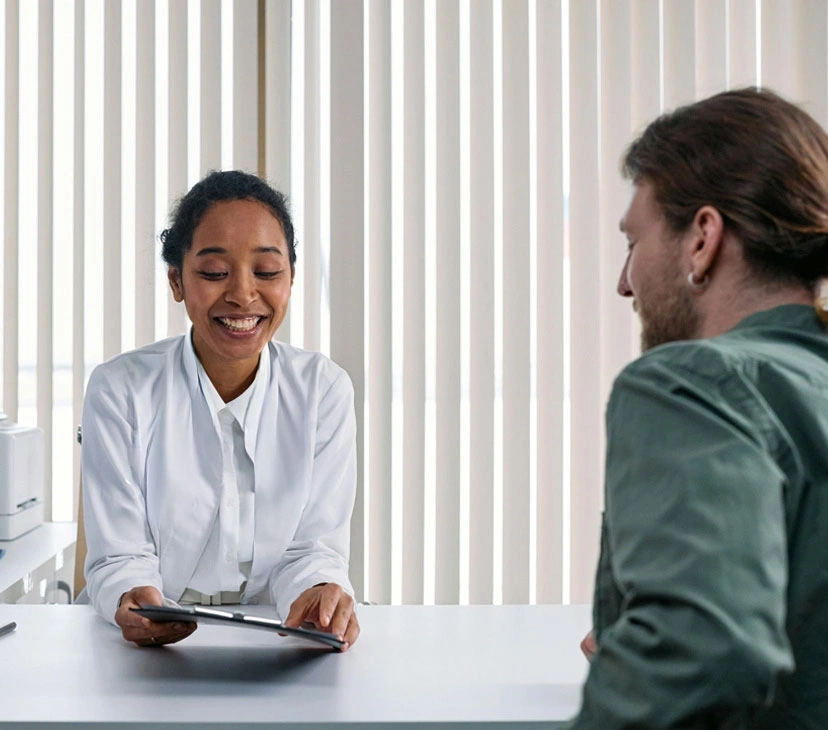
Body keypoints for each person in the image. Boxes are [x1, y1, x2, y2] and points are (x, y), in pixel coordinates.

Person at [568, 88, 828, 728]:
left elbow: (704, 649)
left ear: (702, 239)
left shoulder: (692, 382)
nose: (625, 281)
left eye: (634, 240)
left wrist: (655, 657)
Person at [81, 170, 359, 650]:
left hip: (277, 640)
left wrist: (318, 593)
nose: (243, 294)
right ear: (177, 280)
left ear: (290, 279)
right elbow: (120, 555)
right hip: (144, 649)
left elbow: (314, 548)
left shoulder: (323, 389)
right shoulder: (120, 388)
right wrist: (135, 598)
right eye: (213, 273)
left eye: (267, 272)